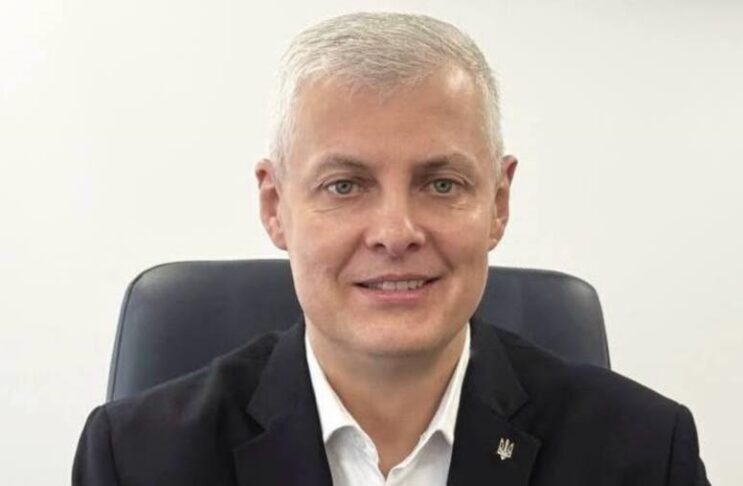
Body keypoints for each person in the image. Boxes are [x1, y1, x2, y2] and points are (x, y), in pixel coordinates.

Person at [73, 12, 709, 485]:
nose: (396, 231)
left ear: (497, 203)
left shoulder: (643, 453)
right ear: (275, 207)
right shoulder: (137, 460)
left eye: (441, 183)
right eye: (345, 185)